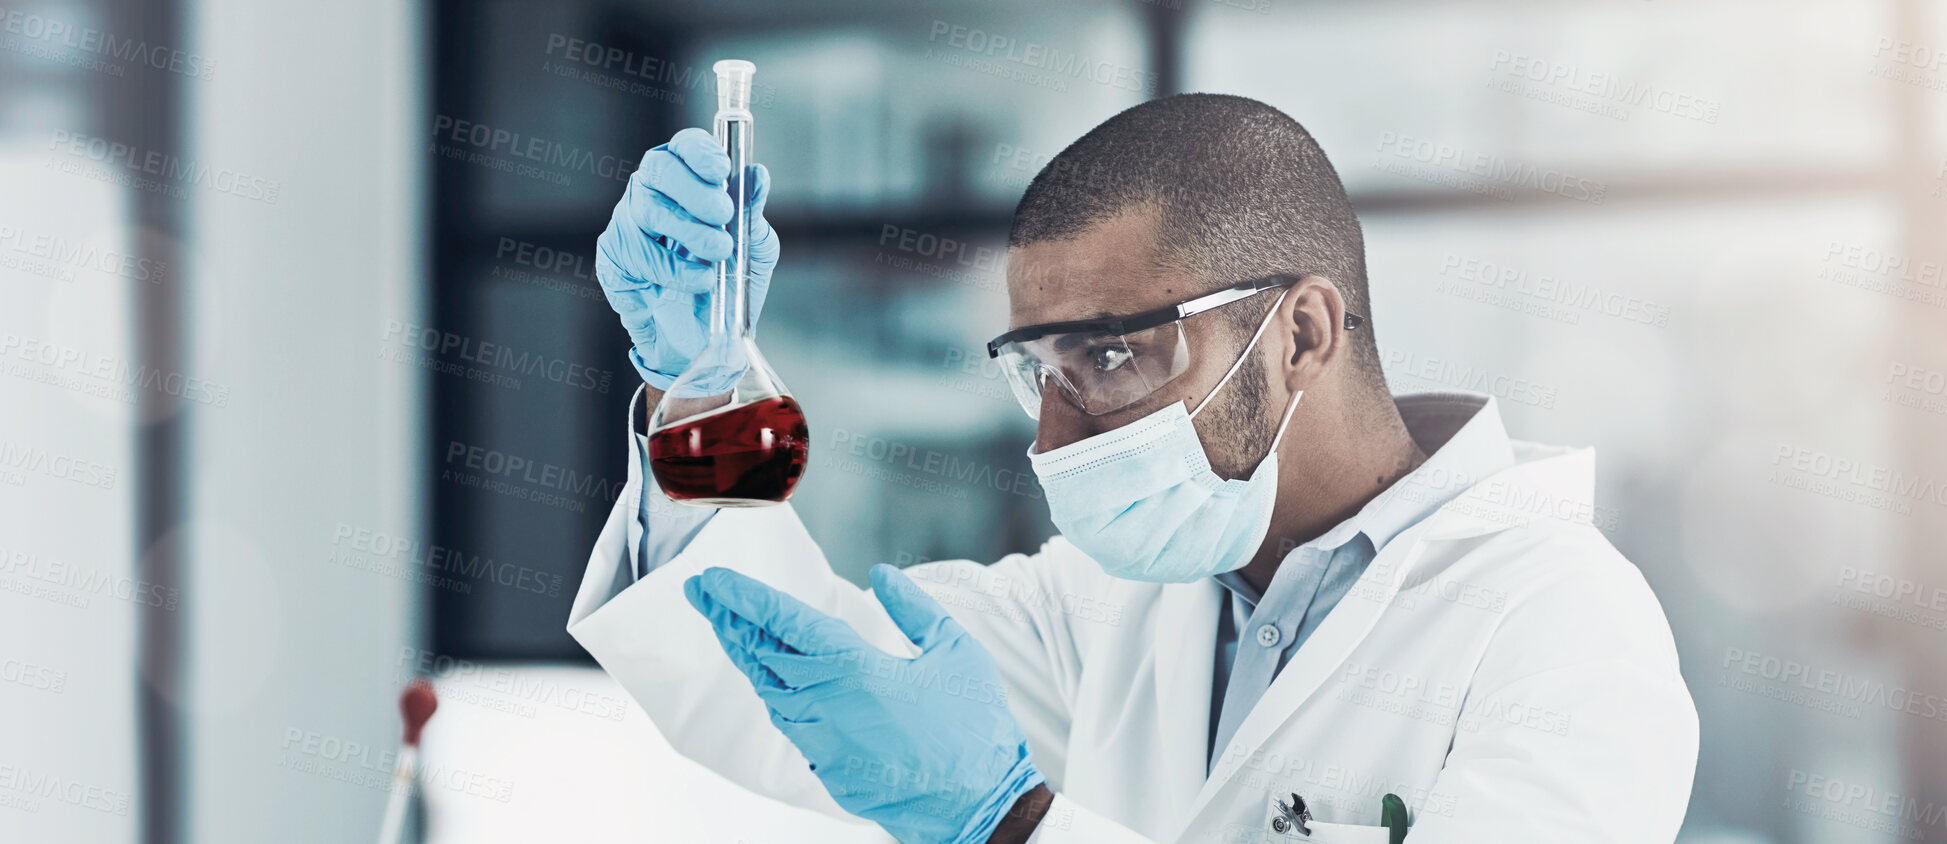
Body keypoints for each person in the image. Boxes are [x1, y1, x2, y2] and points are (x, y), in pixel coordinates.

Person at [567, 94, 1697, 844]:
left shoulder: (1562, 630)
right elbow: (777, 665)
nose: (1053, 442)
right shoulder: (1107, 601)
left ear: (1301, 333)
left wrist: (1009, 819)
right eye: (1038, 370)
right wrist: (696, 389)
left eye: (1109, 355)